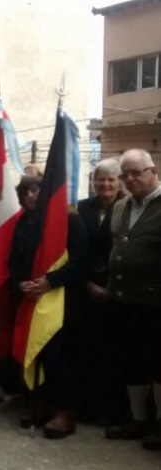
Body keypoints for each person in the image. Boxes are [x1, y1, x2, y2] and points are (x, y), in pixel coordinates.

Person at [9, 175, 87, 439]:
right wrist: (22, 283)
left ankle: (65, 412)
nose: (32, 195)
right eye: (27, 191)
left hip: (61, 301)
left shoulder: (70, 221)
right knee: (36, 353)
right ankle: (41, 404)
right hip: (30, 299)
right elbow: (14, 260)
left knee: (56, 356)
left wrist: (50, 281)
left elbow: (79, 261)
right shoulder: (22, 222)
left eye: (37, 190)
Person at [103, 149, 161, 450]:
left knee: (159, 366)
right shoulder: (122, 206)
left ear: (152, 170)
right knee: (132, 362)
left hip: (156, 303)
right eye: (125, 174)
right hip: (124, 299)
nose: (129, 179)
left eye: (136, 172)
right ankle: (138, 420)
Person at [76, 158, 127, 425]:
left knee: (114, 352)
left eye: (111, 179)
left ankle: (112, 411)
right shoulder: (82, 208)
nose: (105, 184)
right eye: (100, 179)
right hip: (85, 287)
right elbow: (73, 248)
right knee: (86, 349)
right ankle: (86, 407)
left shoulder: (129, 208)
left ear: (119, 182)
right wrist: (87, 283)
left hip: (118, 290)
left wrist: (110, 286)